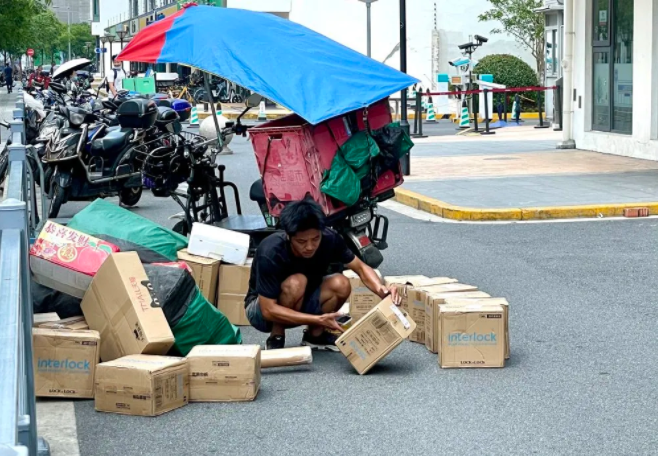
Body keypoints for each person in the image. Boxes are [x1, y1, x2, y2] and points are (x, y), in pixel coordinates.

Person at [245, 199, 400, 351]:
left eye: (315, 239)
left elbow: (360, 267)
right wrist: (319, 318)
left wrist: (381, 290)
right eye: (301, 241)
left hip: (302, 300)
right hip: (262, 312)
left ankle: (315, 335)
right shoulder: (270, 251)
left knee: (341, 283)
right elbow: (268, 309)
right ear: (288, 236)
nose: (310, 246)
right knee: (297, 282)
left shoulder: (330, 238)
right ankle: (276, 336)